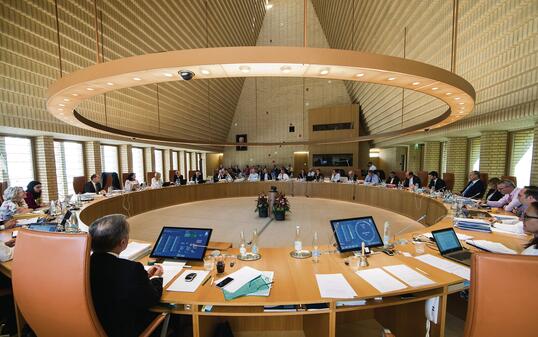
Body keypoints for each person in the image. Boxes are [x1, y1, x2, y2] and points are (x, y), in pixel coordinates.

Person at [89, 214, 163, 337]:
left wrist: (144, 277)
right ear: (123, 242)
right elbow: (152, 299)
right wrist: (157, 278)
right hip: (123, 330)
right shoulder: (132, 269)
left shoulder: (81, 267)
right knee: (169, 315)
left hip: (91, 329)